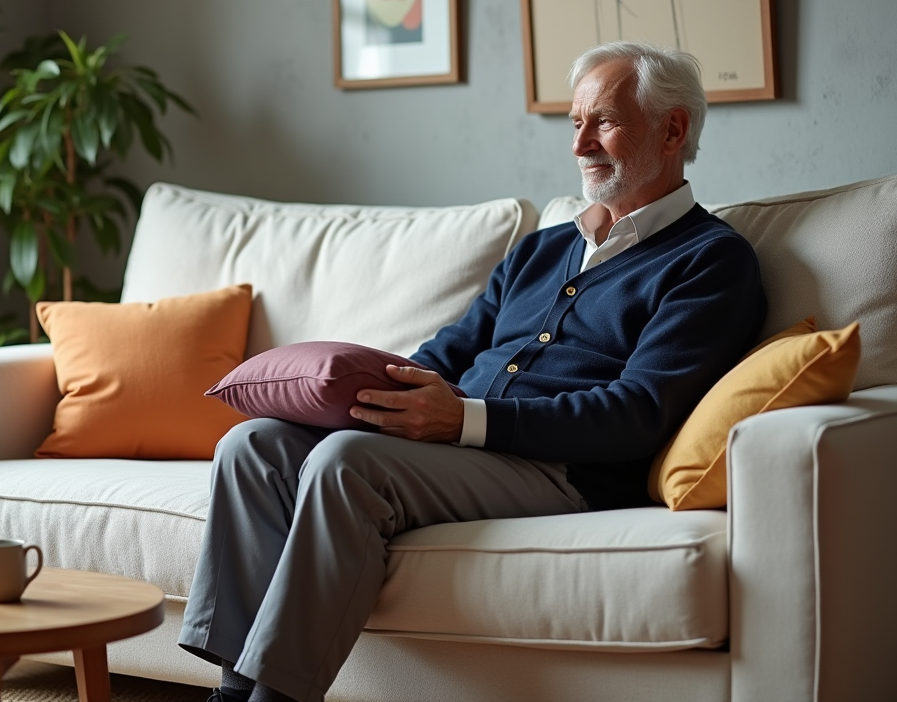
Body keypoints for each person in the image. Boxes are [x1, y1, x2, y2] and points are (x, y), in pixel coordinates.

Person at [178, 41, 767, 702]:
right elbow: (448, 352)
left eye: (602, 121)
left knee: (348, 463)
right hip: (457, 445)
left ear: (673, 129)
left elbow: (638, 412)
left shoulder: (711, 262)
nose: (580, 146)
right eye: (575, 124)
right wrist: (381, 397)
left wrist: (465, 420)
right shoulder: (543, 248)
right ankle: (233, 691)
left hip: (566, 473)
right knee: (252, 446)